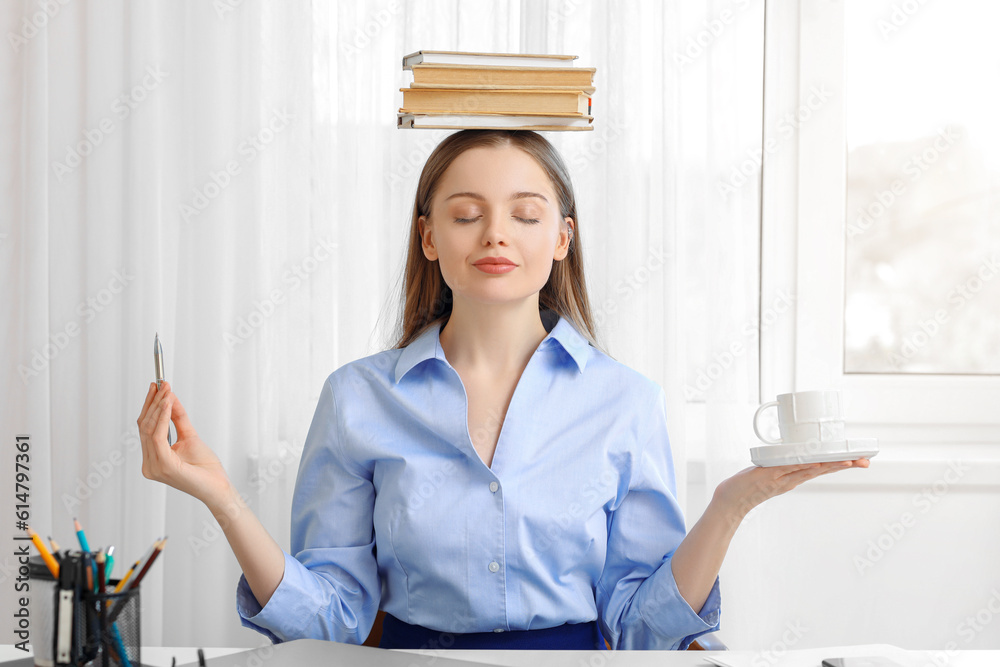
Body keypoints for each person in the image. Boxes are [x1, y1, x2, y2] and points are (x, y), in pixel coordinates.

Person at [137, 129, 869, 651]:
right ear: (428, 237)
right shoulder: (357, 398)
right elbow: (329, 619)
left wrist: (731, 503)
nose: (495, 235)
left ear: (562, 239)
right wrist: (222, 497)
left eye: (525, 214)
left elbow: (644, 627)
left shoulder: (627, 402)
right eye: (465, 214)